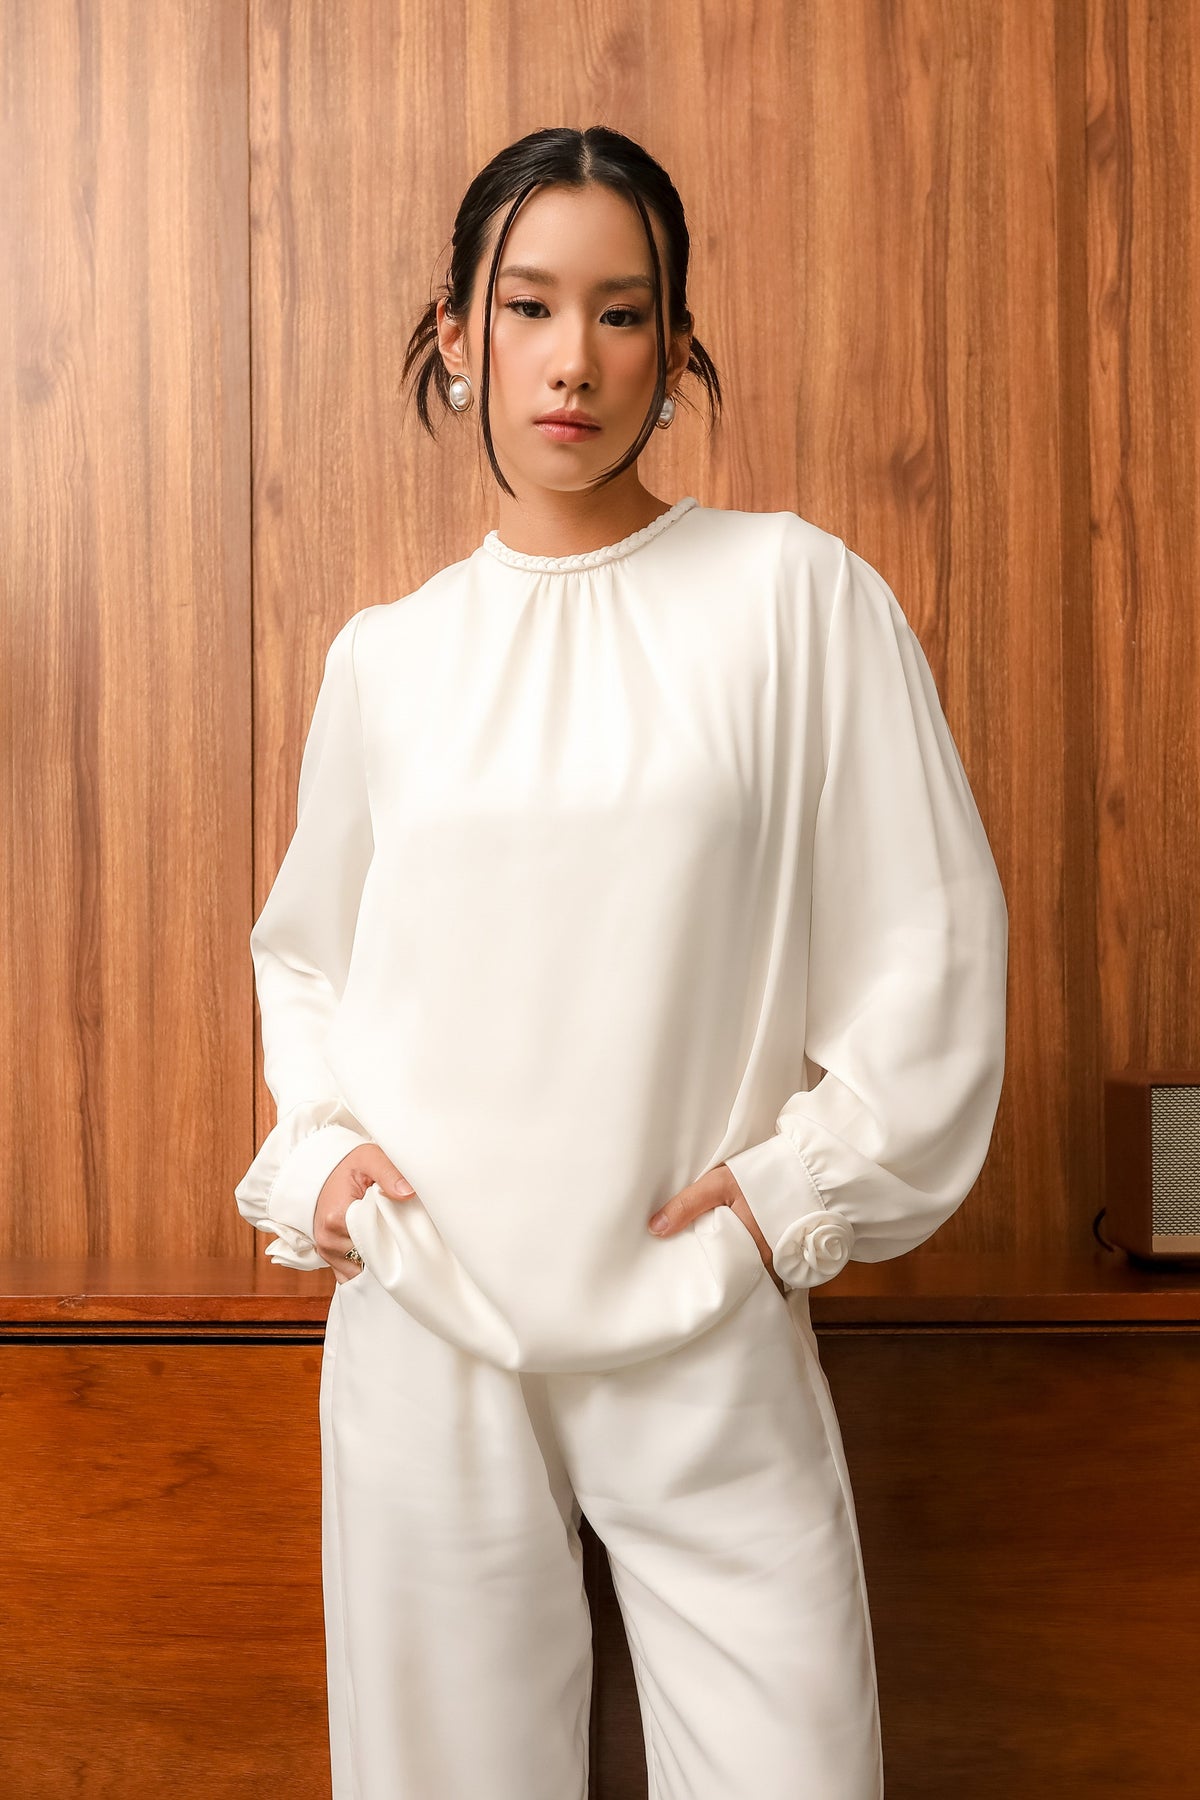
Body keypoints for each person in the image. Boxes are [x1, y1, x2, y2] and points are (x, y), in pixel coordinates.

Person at [234, 125, 1008, 1800]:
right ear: (457, 337)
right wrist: (324, 1159)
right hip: (427, 1312)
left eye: (621, 311)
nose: (572, 360)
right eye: (527, 307)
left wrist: (796, 1192)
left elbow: (931, 943)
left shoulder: (798, 599)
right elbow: (309, 959)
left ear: (674, 345)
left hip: (704, 1310)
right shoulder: (388, 662)